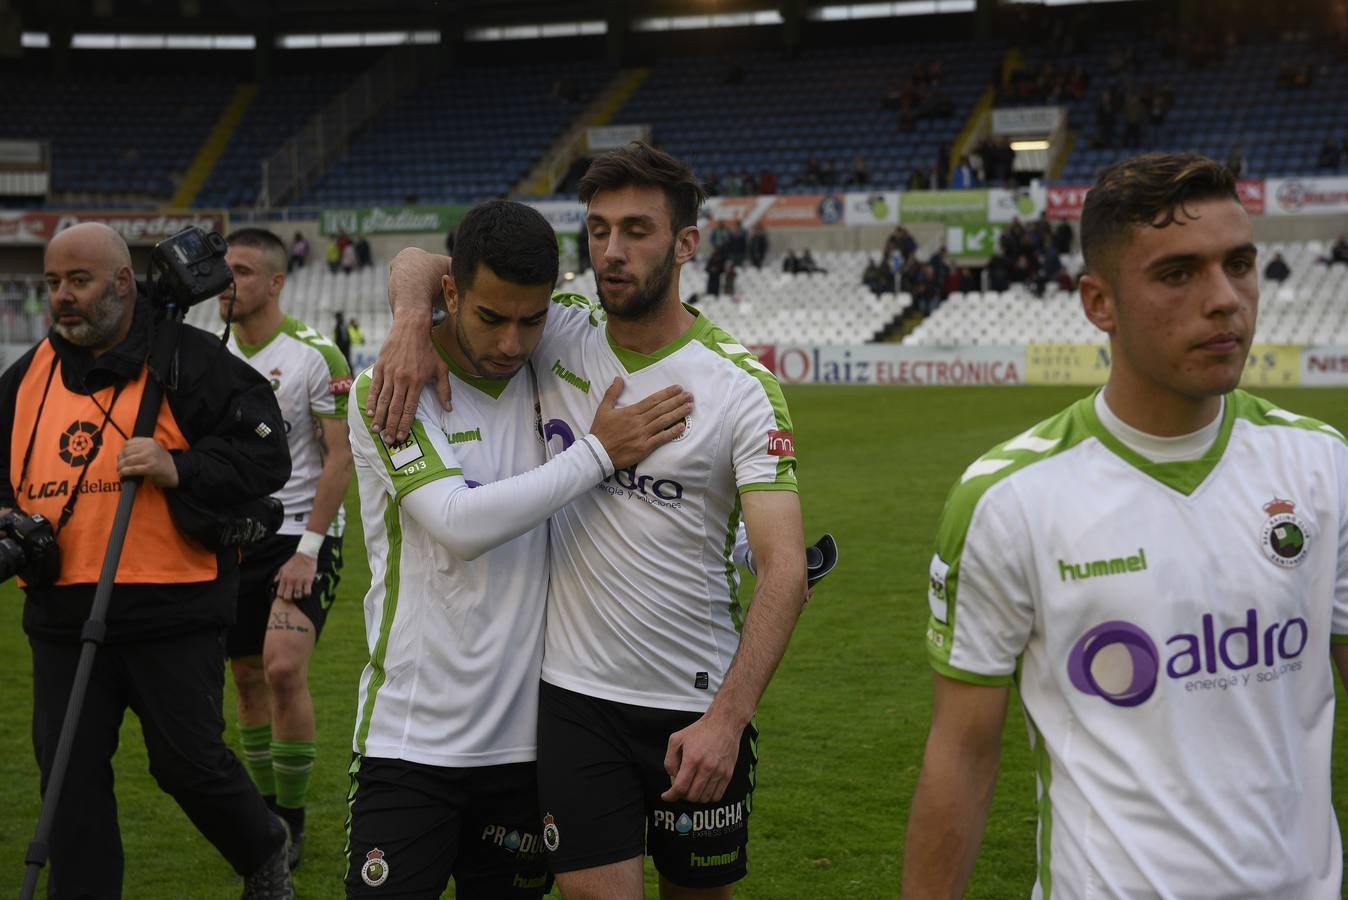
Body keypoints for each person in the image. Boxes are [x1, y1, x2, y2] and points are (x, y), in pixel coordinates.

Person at [368, 143, 807, 899]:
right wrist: (412, 320)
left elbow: (785, 567)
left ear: (686, 243)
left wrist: (727, 721)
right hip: (572, 702)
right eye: (599, 230)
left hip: (693, 699)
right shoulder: (557, 329)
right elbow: (424, 261)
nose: (612, 250)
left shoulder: (742, 389)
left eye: (637, 230)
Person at [903, 152, 1348, 899]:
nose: (1226, 301)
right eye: (1178, 274)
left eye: (1239, 265)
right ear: (1098, 303)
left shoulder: (1323, 467)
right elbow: (963, 752)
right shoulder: (1009, 499)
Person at [345, 200, 692, 898]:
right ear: (453, 295)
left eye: (530, 320)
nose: (511, 342)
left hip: (530, 751)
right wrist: (598, 452)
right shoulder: (388, 390)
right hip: (411, 741)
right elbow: (458, 523)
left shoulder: (551, 361)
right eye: (490, 319)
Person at [0, 222, 295, 897]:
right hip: (61, 610)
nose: (63, 297)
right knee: (67, 781)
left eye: (79, 281)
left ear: (124, 282)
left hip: (174, 604)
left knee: (187, 765)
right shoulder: (27, 377)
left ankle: (262, 845)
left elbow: (266, 456)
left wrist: (180, 466)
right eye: (52, 284)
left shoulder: (189, 361)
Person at [219, 228, 354, 870]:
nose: (229, 283)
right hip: (234, 541)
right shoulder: (206, 350)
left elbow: (340, 456)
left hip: (302, 536)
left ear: (275, 282)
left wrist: (308, 548)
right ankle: (267, 816)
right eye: (224, 272)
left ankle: (291, 824)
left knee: (279, 669)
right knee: (245, 680)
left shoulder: (314, 354)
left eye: (243, 272)